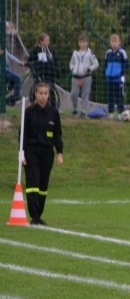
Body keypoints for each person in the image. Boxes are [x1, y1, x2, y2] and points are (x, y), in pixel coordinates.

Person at [21, 82, 63, 225]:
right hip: (32, 151)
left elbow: (57, 135)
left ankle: (39, 215)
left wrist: (59, 153)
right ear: (35, 94)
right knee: (33, 182)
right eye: (41, 93)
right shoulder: (29, 112)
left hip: (47, 153)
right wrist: (22, 153)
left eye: (46, 93)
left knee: (43, 185)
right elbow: (23, 134)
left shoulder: (53, 113)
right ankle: (33, 215)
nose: (43, 96)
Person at [69, 34, 99, 118]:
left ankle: (83, 111)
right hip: (75, 77)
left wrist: (89, 69)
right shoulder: (75, 53)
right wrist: (73, 69)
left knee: (85, 94)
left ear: (87, 43)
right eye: (81, 42)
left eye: (84, 42)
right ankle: (75, 109)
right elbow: (71, 63)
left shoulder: (90, 53)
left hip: (86, 77)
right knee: (74, 94)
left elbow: (96, 64)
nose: (83, 44)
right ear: (78, 43)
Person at [104, 34, 129, 120]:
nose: (114, 43)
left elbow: (127, 64)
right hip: (110, 78)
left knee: (119, 96)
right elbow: (105, 64)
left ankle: (120, 112)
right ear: (110, 43)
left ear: (119, 42)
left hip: (119, 79)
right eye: (112, 41)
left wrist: (121, 72)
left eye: (116, 41)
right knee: (110, 96)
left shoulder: (122, 53)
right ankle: (110, 112)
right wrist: (106, 73)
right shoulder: (108, 53)